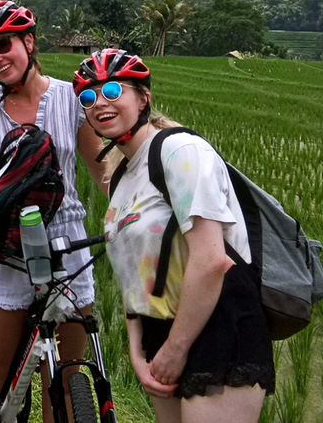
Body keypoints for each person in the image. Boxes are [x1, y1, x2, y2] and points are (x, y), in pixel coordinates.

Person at [73, 48, 274, 423]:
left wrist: (176, 349)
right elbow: (135, 273)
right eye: (88, 96)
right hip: (159, 330)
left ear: (143, 97)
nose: (100, 102)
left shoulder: (179, 151)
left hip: (218, 322)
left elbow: (212, 261)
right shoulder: (121, 177)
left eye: (113, 91)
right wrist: (139, 350)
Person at [0, 1, 107, 423]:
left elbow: (103, 170)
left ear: (29, 42)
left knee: (65, 379)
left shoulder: (73, 101)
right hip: (3, 248)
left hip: (67, 247)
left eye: (3, 45)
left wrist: (140, 214)